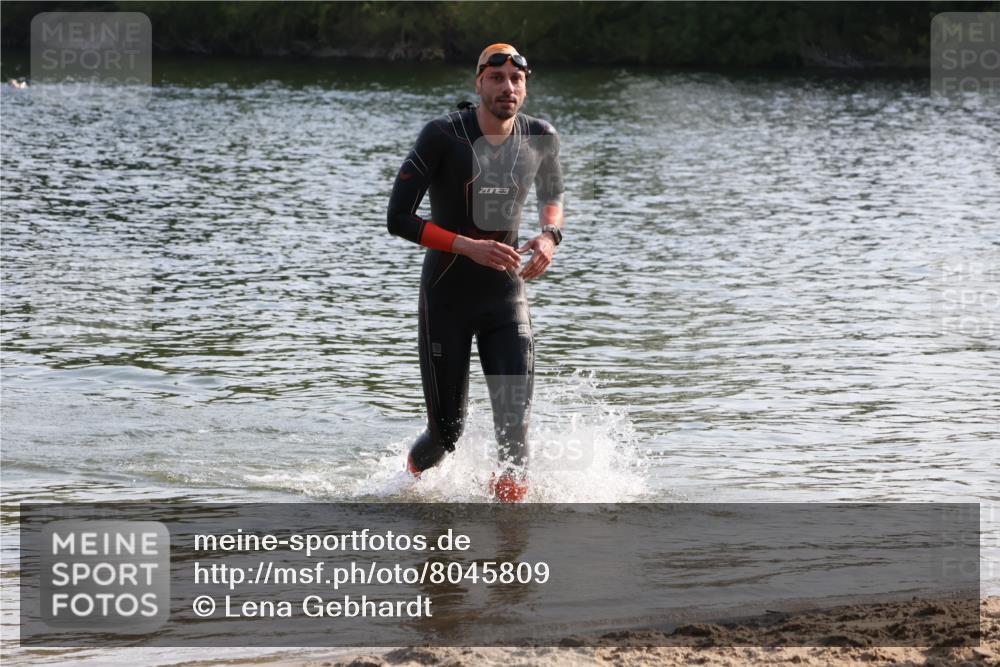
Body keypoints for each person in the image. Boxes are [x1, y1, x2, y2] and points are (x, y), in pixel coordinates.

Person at [386, 43, 565, 502]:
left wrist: (548, 236)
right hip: (447, 297)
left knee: (514, 430)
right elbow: (398, 218)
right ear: (479, 82)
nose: (507, 87)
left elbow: (553, 196)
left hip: (506, 300)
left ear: (525, 85)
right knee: (445, 437)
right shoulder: (443, 135)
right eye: (497, 78)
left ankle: (508, 547)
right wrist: (466, 245)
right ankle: (408, 483)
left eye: (516, 79)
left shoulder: (541, 135)